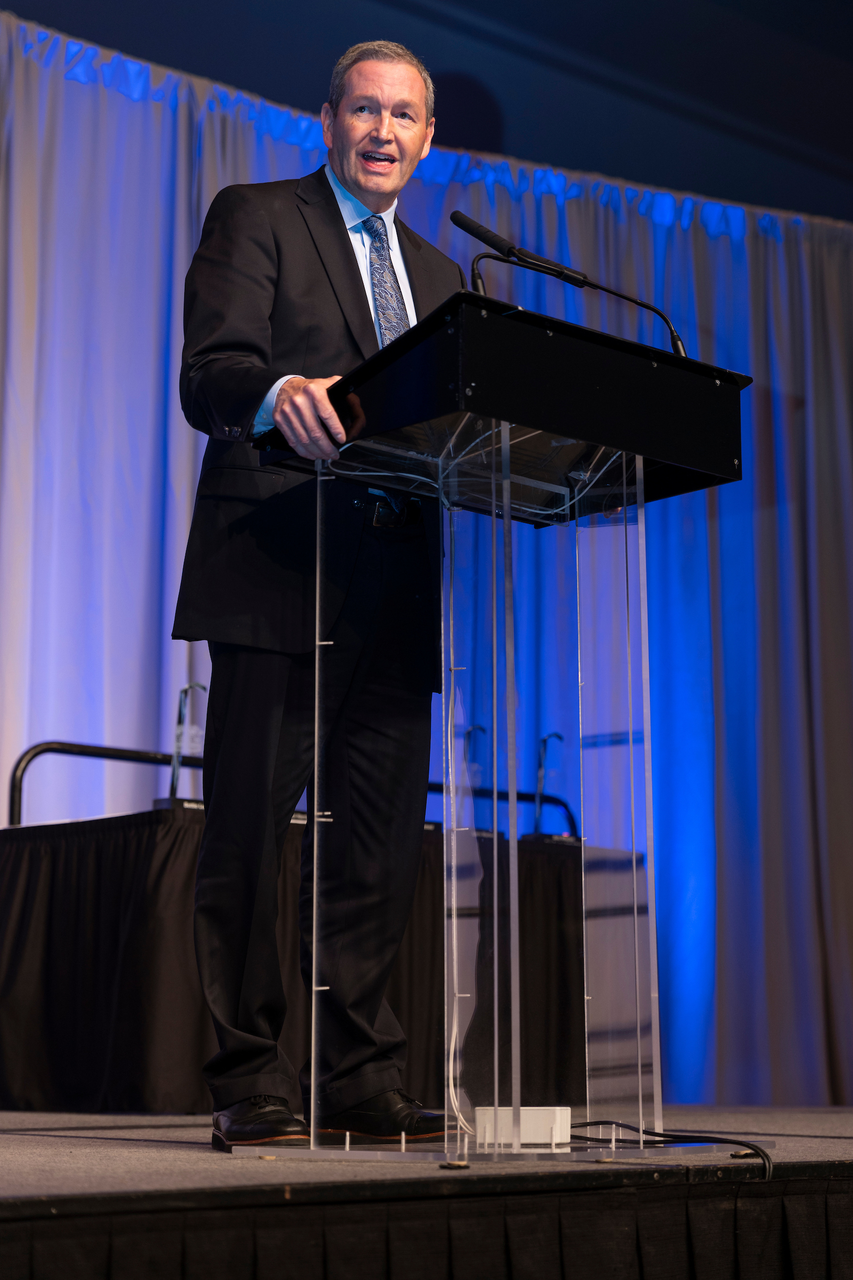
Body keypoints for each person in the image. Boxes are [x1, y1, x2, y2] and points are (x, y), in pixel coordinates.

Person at [173, 41, 465, 1150]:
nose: (382, 131)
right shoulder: (258, 217)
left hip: (392, 593)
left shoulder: (441, 281)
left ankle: (360, 1073)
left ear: (428, 139)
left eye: (403, 116)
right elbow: (211, 372)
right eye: (363, 110)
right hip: (277, 572)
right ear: (329, 119)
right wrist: (278, 390)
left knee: (378, 851)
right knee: (249, 835)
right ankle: (251, 1072)